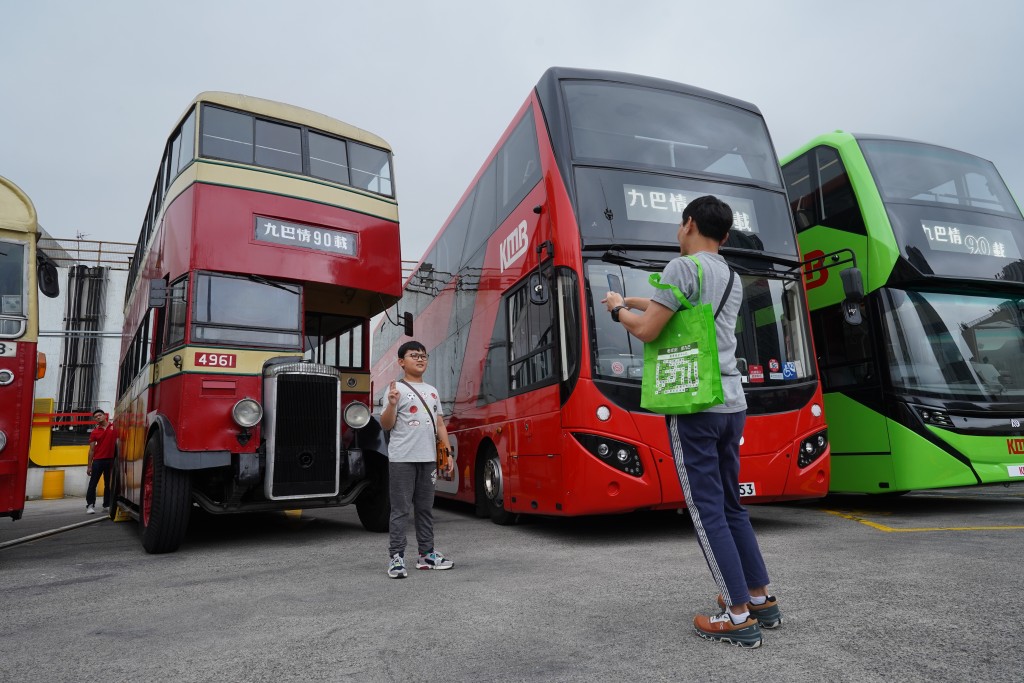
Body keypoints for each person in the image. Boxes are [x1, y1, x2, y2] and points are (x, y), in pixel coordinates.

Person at [602, 195, 781, 649]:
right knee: (731, 505)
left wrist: (616, 310)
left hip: (695, 405)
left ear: (688, 225)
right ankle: (761, 599)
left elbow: (647, 330)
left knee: (705, 510)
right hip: (732, 402)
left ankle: (737, 615)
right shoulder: (729, 275)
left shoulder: (683, 266)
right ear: (723, 234)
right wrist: (637, 300)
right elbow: (674, 306)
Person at [379, 340, 455, 578]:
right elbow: (386, 424)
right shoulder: (395, 390)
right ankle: (397, 557)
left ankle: (426, 554)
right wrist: (391, 405)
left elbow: (440, 423)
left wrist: (447, 451)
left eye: (424, 355)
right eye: (414, 355)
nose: (420, 359)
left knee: (425, 508)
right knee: (400, 509)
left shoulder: (432, 391)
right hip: (402, 458)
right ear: (402, 362)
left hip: (428, 458)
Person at [86, 409, 117, 514]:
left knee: (108, 484)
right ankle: (90, 505)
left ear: (105, 416)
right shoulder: (95, 432)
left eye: (99, 415)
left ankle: (106, 505)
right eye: (95, 417)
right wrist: (89, 466)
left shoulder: (114, 427)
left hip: (111, 460)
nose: (98, 417)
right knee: (93, 484)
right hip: (98, 461)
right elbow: (91, 450)